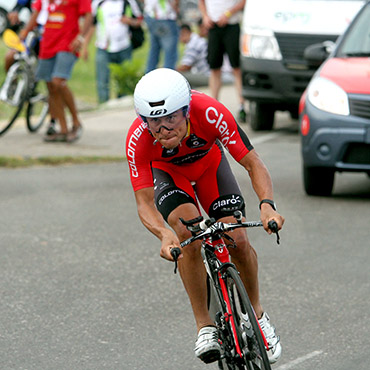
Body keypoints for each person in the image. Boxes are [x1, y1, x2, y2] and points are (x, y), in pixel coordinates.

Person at [125, 68, 284, 364]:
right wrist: (163, 234)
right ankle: (205, 325)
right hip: (170, 175)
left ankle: (258, 317)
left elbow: (252, 162)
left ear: (186, 110)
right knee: (187, 235)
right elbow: (144, 202)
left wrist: (266, 204)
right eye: (154, 121)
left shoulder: (210, 112)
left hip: (209, 166)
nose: (163, 128)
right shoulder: (138, 139)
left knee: (237, 237)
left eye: (171, 117)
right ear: (143, 120)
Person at [22, 0, 92, 143]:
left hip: (68, 44)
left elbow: (89, 15)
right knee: (51, 86)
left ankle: (76, 122)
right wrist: (24, 32)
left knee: (58, 82)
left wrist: (81, 38)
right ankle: (63, 129)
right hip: (48, 43)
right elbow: (36, 13)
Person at [83, 0, 143, 104]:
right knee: (102, 80)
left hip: (123, 46)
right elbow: (92, 25)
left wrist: (129, 21)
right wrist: (85, 46)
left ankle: (122, 105)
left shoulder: (128, 2)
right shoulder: (98, 3)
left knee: (123, 80)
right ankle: (103, 104)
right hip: (103, 47)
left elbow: (139, 20)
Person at [198, 0, 247, 123]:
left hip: (231, 25)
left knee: (236, 68)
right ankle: (213, 107)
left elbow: (243, 2)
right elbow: (201, 2)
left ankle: (242, 106)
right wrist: (205, 16)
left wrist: (228, 14)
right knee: (214, 68)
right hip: (213, 27)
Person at [177, 22, 233, 88]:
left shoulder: (193, 43)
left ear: (184, 32)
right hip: (224, 74)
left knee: (179, 76)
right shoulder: (199, 40)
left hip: (212, 76)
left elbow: (186, 66)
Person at [143, 0, 179, 72]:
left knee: (154, 52)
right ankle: (168, 80)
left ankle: (148, 78)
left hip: (151, 16)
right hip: (165, 17)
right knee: (170, 55)